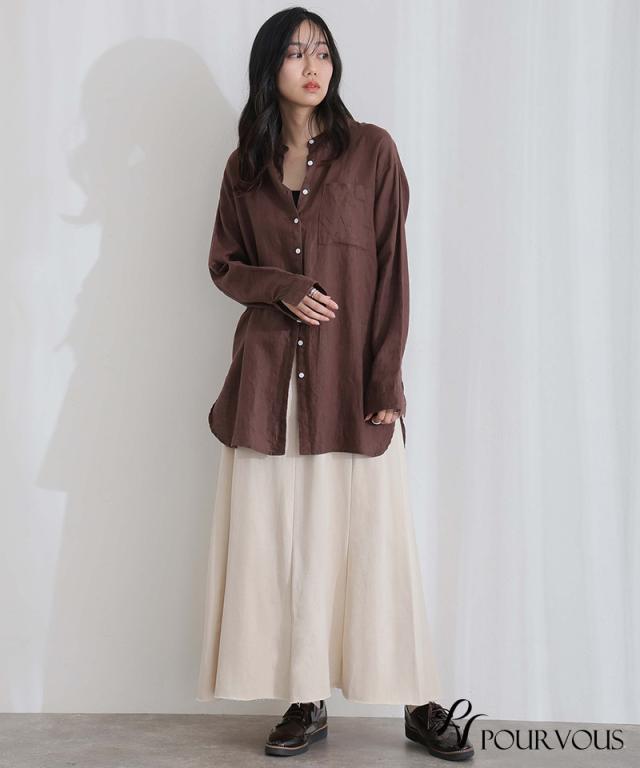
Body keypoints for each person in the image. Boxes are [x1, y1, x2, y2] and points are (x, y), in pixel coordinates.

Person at [196, 7, 474, 763]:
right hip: (269, 388)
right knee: (284, 547)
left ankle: (417, 702)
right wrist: (281, 287)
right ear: (270, 68)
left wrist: (386, 378)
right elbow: (224, 265)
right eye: (295, 53)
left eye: (322, 51)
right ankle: (305, 697)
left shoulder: (372, 151)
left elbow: (392, 272)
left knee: (376, 544)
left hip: (351, 383)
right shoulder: (244, 168)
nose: (313, 65)